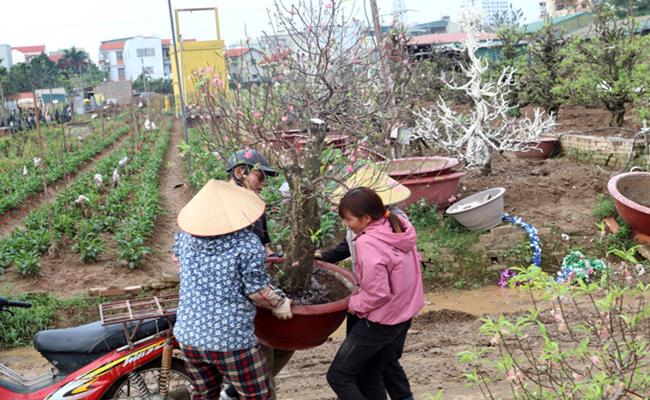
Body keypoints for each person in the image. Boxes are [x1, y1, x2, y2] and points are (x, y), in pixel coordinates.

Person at [174, 179, 293, 400]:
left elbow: (178, 260)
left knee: (204, 395)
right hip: (230, 340)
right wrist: (280, 302)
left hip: (189, 336)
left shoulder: (184, 239)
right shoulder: (246, 244)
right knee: (256, 395)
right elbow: (257, 291)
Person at [317, 166, 416, 400]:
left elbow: (377, 294)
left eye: (349, 220)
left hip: (382, 318)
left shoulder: (368, 242)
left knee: (339, 376)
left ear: (365, 217)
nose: (346, 225)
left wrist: (351, 303)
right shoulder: (398, 226)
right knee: (372, 371)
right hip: (403, 312)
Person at [221, 149, 294, 400]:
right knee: (263, 361)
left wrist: (278, 265)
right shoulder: (219, 207)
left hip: (256, 285)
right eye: (260, 177)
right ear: (240, 173)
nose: (264, 185)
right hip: (238, 295)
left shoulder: (255, 205)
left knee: (283, 345)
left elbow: (264, 245)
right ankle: (242, 390)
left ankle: (234, 390)